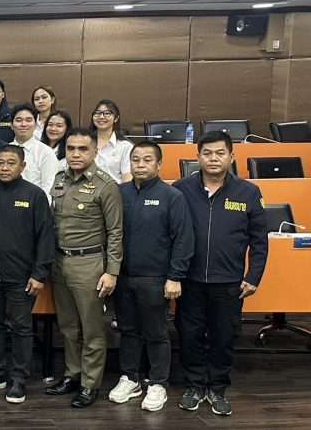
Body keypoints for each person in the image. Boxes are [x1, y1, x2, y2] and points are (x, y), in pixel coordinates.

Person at [173, 131, 268, 417]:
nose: (213, 159)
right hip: (189, 280)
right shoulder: (181, 189)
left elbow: (259, 240)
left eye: (219, 153)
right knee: (189, 335)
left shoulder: (248, 192)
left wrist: (253, 276)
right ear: (198, 157)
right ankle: (194, 386)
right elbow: (169, 235)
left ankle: (217, 388)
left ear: (231, 156)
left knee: (223, 336)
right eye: (207, 153)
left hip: (229, 282)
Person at [108, 141, 194, 412]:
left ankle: (158, 383)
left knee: (156, 332)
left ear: (159, 164)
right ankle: (130, 378)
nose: (140, 165)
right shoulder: (119, 192)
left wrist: (175, 276)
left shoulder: (172, 196)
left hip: (156, 278)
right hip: (123, 276)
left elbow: (183, 239)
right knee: (128, 331)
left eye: (147, 160)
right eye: (136, 160)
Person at [0, 145, 57, 404]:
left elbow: (45, 236)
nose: (5, 168)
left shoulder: (35, 195)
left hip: (22, 277)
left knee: (21, 327)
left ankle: (18, 377)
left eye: (11, 163)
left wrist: (39, 274)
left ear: (23, 166)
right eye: (1, 163)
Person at [45, 128, 123, 409]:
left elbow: (115, 232)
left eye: (82, 149)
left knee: (92, 329)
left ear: (94, 152)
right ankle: (72, 374)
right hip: (60, 262)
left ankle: (90, 384)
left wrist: (111, 272)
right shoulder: (59, 179)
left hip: (90, 263)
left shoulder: (106, 185)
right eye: (71, 149)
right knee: (67, 326)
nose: (76, 154)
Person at [9, 104, 60, 199]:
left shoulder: (45, 152)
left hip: (34, 204)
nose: (23, 124)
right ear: (11, 125)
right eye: (19, 120)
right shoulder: (3, 151)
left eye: (28, 120)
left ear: (36, 125)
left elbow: (49, 187)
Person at [90, 99, 133, 183]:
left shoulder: (125, 146)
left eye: (107, 113)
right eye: (97, 113)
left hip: (114, 190)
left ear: (116, 118)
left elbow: (127, 179)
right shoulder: (85, 142)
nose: (101, 117)